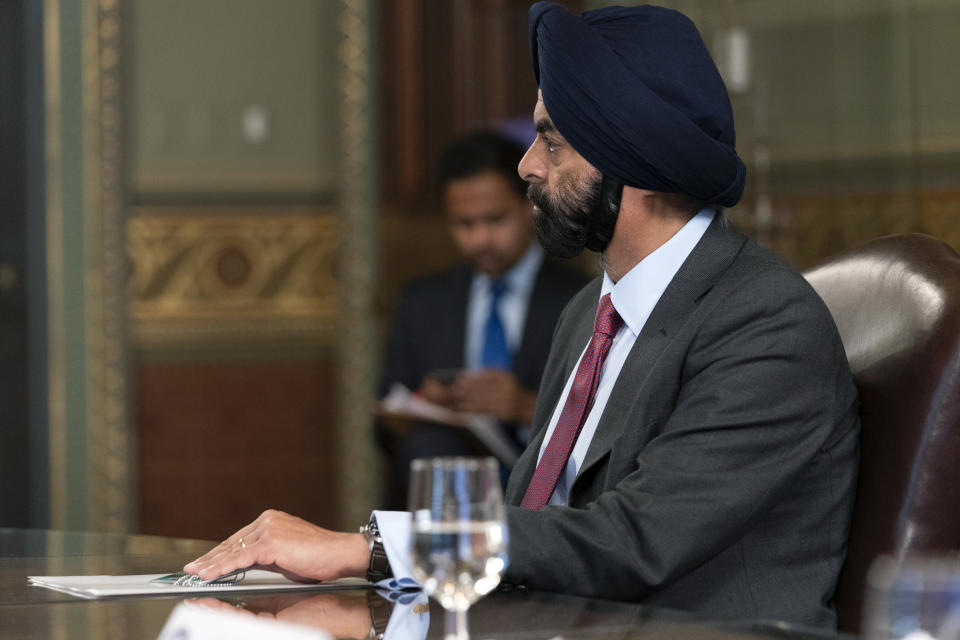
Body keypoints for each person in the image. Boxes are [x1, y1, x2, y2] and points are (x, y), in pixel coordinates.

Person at [185, 2, 859, 630]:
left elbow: (634, 542)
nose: (527, 164)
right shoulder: (586, 315)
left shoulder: (766, 323)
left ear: (637, 159)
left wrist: (363, 549)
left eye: (553, 142)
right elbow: (529, 529)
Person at [377, 130, 589, 508]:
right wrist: (426, 403)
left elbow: (607, 422)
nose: (480, 240)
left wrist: (527, 406)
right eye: (464, 224)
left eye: (495, 220)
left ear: (530, 205)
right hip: (446, 487)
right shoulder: (422, 302)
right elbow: (383, 425)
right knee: (428, 448)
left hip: (546, 495)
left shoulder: (582, 298)